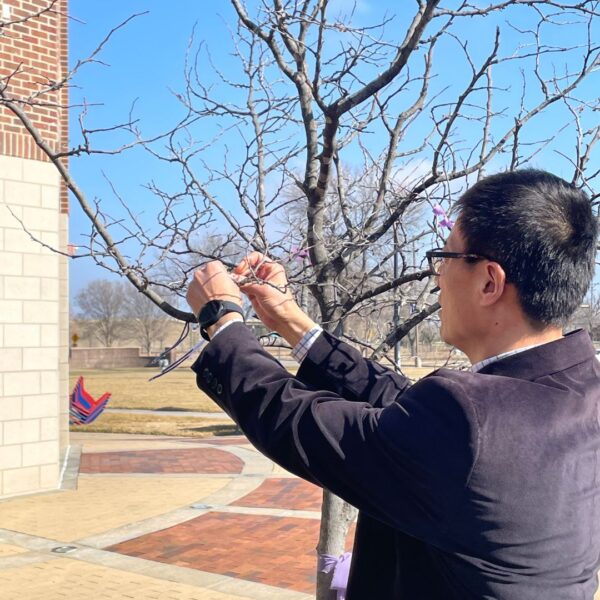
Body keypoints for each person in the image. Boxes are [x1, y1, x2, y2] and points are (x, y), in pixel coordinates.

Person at [186, 169, 600, 599]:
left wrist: (222, 322)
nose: (437, 277)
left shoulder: (467, 421)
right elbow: (403, 402)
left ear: (490, 282)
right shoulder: (579, 393)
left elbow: (299, 422)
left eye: (447, 257)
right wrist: (292, 322)